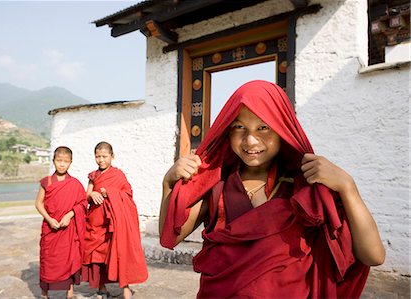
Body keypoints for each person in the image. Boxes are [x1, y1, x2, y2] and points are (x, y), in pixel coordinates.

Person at [159, 80, 385, 298]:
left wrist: (348, 188)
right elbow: (170, 236)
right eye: (239, 127)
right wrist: (168, 185)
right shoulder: (217, 184)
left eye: (263, 127)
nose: (250, 141)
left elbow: (373, 255)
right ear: (227, 131)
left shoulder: (305, 187)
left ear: (282, 130)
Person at [82, 141, 148, 299]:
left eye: (104, 156)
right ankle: (101, 288)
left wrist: (110, 192)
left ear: (112, 156)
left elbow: (127, 194)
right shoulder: (93, 176)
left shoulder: (118, 175)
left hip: (114, 223)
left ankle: (125, 289)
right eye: (97, 157)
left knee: (119, 253)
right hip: (96, 222)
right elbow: (86, 195)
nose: (101, 160)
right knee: (97, 256)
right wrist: (92, 195)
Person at [35, 146, 87, 299]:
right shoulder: (47, 182)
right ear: (53, 161)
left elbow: (83, 203)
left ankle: (69, 293)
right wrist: (50, 219)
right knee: (47, 260)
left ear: (71, 162)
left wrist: (69, 215)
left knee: (68, 259)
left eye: (66, 161)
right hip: (50, 228)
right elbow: (38, 203)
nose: (62, 164)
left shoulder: (75, 184)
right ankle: (45, 293)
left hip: (67, 229)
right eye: (59, 161)